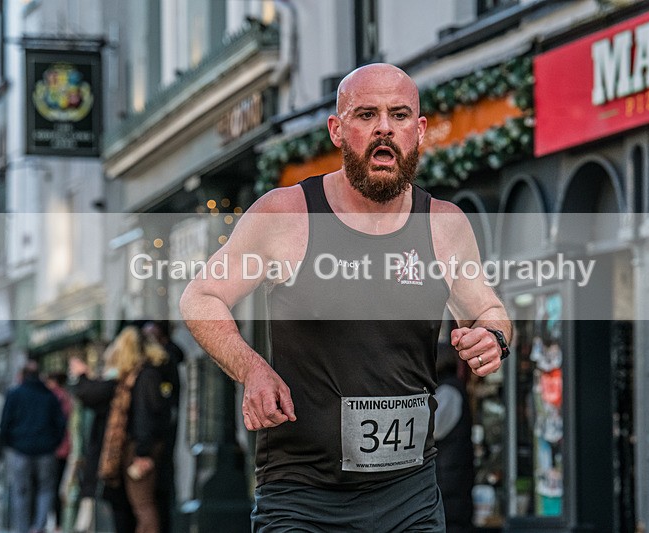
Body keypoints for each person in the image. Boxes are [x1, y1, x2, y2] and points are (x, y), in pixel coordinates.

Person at [179, 63, 511, 531]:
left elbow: (490, 310)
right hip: (302, 497)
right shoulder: (287, 213)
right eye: (366, 114)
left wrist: (493, 337)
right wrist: (251, 369)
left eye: (398, 115)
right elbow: (201, 296)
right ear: (337, 129)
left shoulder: (444, 223)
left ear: (419, 131)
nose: (383, 128)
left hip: (410, 494)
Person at [98, 326, 171, 533]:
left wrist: (142, 452)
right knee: (141, 505)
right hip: (139, 445)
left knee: (143, 505)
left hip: (140, 447)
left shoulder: (145, 376)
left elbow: (146, 416)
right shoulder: (141, 376)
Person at [68, 353, 136, 533]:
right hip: (111, 459)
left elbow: (90, 393)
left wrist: (83, 376)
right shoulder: (121, 383)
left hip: (114, 458)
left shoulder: (117, 383)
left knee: (129, 511)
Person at [0, 360, 67, 533]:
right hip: (45, 451)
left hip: (22, 451)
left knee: (21, 491)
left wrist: (12, 443)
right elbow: (60, 424)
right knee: (45, 490)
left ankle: (24, 528)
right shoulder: (49, 396)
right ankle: (38, 527)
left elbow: (5, 423)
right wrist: (53, 443)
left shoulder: (15, 394)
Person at [141, 320, 183, 533]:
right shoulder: (158, 365)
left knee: (154, 494)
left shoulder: (161, 365)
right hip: (159, 433)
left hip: (158, 436)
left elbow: (159, 404)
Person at [434, 340, 475, 533]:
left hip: (449, 487)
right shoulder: (448, 389)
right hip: (450, 485)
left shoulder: (448, 391)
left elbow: (430, 429)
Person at [45, 372, 73, 532]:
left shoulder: (54, 397)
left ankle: (56, 523)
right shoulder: (67, 397)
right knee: (59, 486)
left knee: (52, 487)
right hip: (65, 448)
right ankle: (59, 523)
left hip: (55, 449)